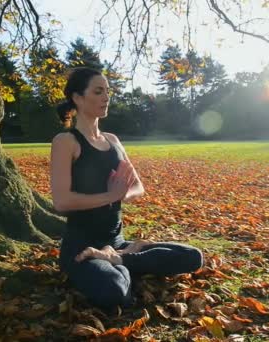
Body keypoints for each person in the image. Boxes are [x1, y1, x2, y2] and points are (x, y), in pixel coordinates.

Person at [50, 67, 203, 311]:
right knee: (114, 291)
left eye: (108, 91)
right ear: (78, 98)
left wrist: (121, 195)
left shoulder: (113, 140)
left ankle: (121, 259)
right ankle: (125, 261)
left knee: (193, 256)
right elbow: (62, 201)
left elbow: (138, 187)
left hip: (118, 243)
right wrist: (111, 196)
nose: (106, 97)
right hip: (82, 249)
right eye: (98, 91)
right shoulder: (65, 142)